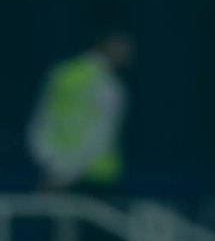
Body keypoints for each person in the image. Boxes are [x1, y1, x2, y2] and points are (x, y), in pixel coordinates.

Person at [27, 28, 134, 194]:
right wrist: (64, 174)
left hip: (55, 171)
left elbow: (41, 124)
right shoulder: (109, 87)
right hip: (94, 178)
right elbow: (101, 135)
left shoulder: (61, 73)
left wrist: (54, 167)